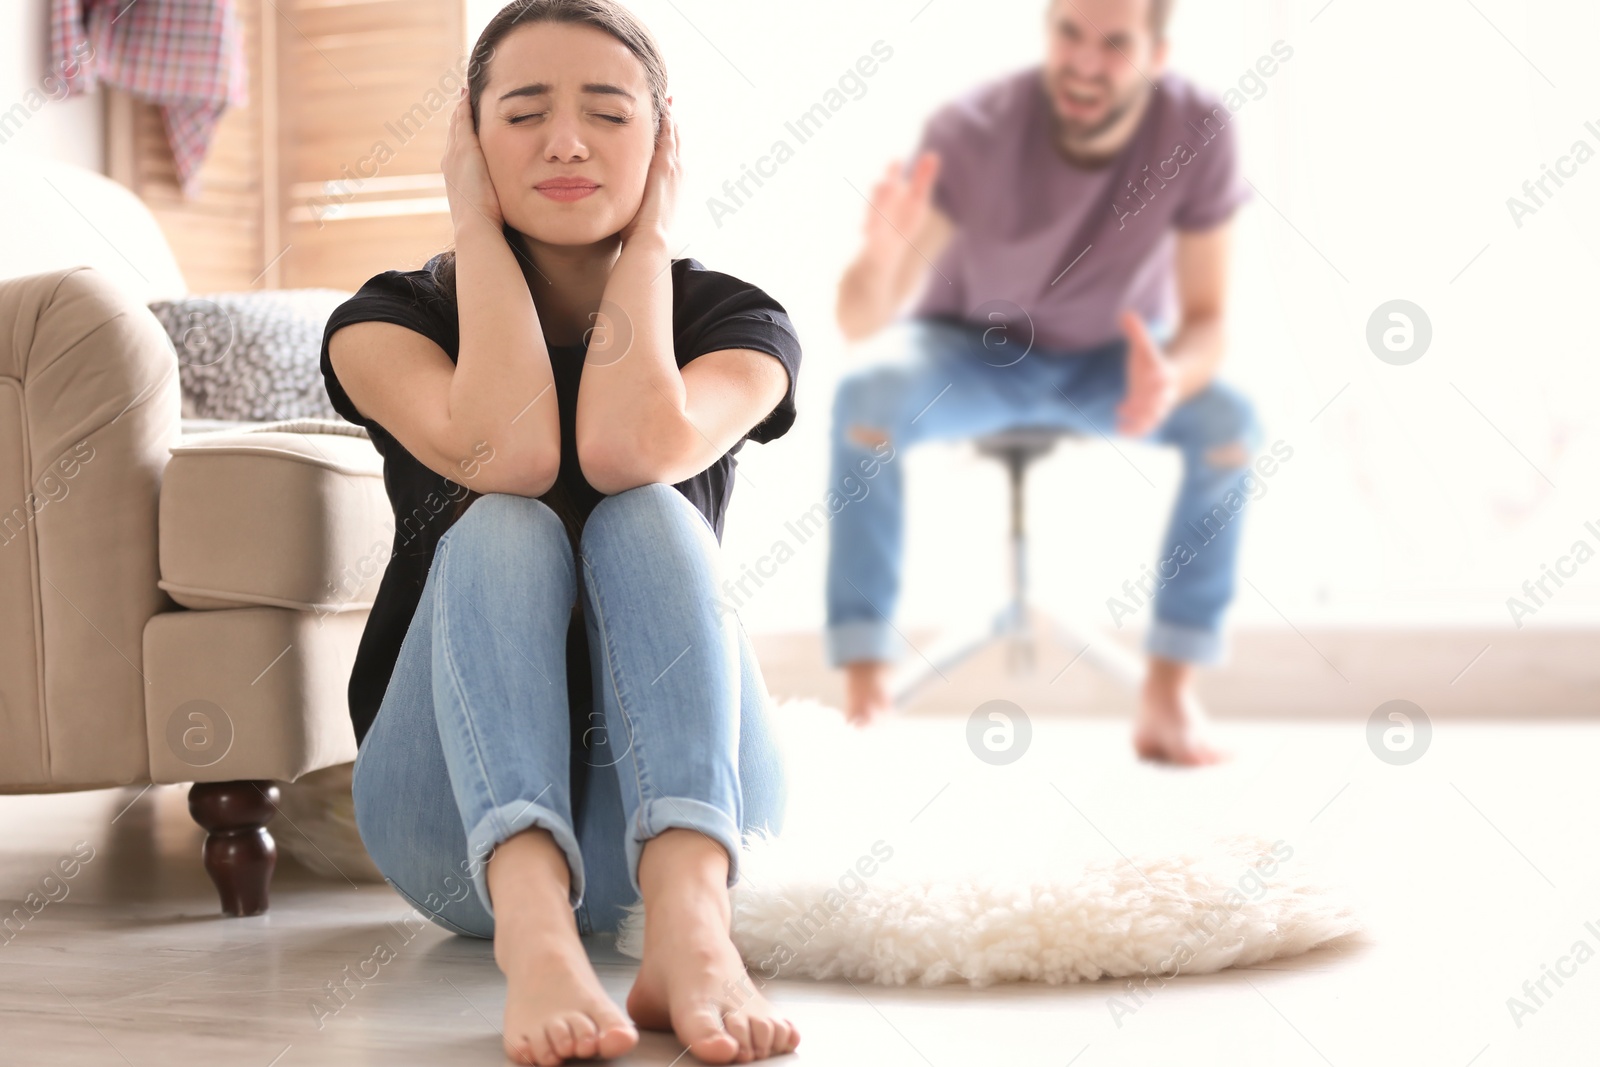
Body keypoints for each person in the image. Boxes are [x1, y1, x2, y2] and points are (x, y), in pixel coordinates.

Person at [319, 1, 804, 1062]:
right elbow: (516, 455)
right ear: (470, 135)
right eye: (525, 112)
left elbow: (633, 447)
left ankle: (689, 924)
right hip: (453, 834)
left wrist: (655, 238)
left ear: (662, 137)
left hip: (698, 818)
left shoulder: (737, 320)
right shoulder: (384, 320)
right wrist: (471, 227)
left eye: (608, 113)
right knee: (505, 523)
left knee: (646, 509)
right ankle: (534, 933)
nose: (568, 143)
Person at [827, 0, 1261, 765]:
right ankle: (866, 688)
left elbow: (1210, 318)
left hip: (1111, 358)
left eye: (1115, 44)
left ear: (1157, 55)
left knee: (1229, 421)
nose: (1085, 63)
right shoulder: (971, 129)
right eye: (1070, 33)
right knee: (867, 398)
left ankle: (1167, 692)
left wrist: (1174, 375)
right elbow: (864, 322)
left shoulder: (1200, 132)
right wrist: (877, 253)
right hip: (974, 353)